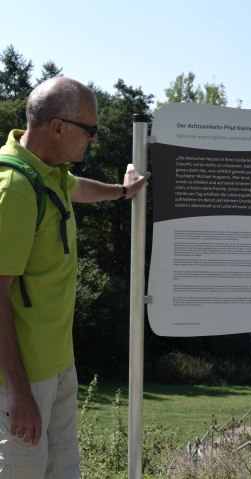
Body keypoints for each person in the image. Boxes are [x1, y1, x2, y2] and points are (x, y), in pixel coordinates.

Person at [0, 76, 150, 478]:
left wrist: (122, 191)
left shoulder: (48, 171)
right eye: (91, 130)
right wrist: (19, 393)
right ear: (58, 127)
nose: (95, 139)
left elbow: (75, 188)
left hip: (59, 367)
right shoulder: (14, 188)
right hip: (21, 381)